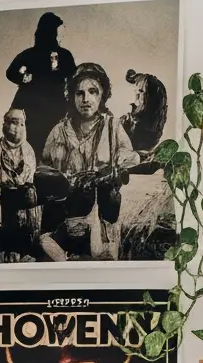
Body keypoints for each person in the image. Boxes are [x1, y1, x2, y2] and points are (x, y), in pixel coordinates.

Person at [37, 63, 134, 261]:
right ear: (72, 97)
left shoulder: (112, 126)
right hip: (66, 218)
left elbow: (129, 155)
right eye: (79, 93)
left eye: (92, 92)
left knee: (102, 262)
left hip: (103, 216)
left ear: (102, 96)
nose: (86, 99)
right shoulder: (59, 131)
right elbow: (43, 169)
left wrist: (120, 163)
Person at [3, 11, 76, 158]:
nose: (60, 35)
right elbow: (11, 72)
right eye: (57, 31)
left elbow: (74, 77)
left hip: (56, 109)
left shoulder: (63, 56)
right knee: (30, 147)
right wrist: (24, 78)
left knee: (55, 149)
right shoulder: (29, 55)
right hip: (31, 109)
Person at [0, 104, 41, 259]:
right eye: (12, 122)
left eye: (21, 124)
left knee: (26, 238)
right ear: (4, 124)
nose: (16, 127)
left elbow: (29, 177)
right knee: (6, 237)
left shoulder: (28, 149)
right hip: (3, 199)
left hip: (24, 199)